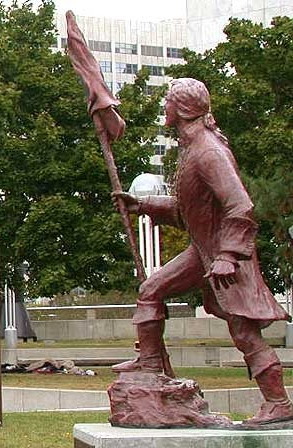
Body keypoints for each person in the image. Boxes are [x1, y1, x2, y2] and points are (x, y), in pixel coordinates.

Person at [112, 78, 293, 425]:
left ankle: (279, 403)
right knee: (151, 290)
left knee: (244, 333)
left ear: (181, 109)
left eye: (166, 101)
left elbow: (241, 206)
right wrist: (145, 205)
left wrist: (228, 256)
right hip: (204, 250)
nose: (163, 107)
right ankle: (150, 362)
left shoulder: (209, 151)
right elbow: (189, 210)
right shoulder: (191, 149)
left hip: (226, 256)